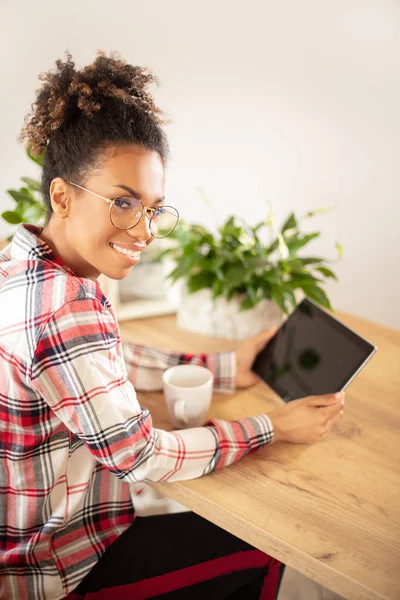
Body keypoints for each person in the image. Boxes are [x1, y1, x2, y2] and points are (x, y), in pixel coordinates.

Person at [0, 52, 345, 600]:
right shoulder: (61, 309)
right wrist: (273, 428)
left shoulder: (25, 266)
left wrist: (227, 368)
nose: (145, 230)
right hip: (57, 571)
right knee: (266, 546)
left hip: (23, 544)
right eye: (122, 203)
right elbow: (139, 455)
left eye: (154, 208)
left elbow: (104, 360)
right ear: (62, 196)